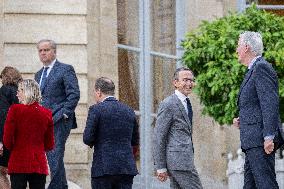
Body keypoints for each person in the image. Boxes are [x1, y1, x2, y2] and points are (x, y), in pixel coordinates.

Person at [233, 31, 284, 189]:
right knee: (250, 186)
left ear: (246, 47)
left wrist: (269, 136)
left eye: (238, 46)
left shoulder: (261, 67)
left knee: (266, 184)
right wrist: (244, 119)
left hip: (260, 140)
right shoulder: (252, 70)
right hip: (252, 141)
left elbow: (269, 102)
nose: (236, 50)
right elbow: (256, 104)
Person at [34, 39, 80, 189]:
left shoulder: (65, 69)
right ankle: (62, 186)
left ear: (54, 51)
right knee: (53, 156)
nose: (43, 53)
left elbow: (74, 94)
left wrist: (65, 113)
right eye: (40, 51)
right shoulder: (38, 74)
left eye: (46, 50)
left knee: (54, 154)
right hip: (43, 122)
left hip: (59, 120)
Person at [83, 77, 139, 189]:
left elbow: (87, 138)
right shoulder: (129, 110)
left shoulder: (96, 109)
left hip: (103, 168)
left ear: (98, 92)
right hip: (126, 168)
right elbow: (135, 140)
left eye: (95, 92)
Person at [153, 67, 203, 189]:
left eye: (191, 80)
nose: (189, 83)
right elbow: (159, 136)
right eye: (185, 80)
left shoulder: (187, 102)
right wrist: (160, 167)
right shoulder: (168, 104)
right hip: (179, 162)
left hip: (183, 160)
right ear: (175, 83)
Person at [3, 79, 54, 189]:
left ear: (28, 92)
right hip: (39, 163)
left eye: (20, 90)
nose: (17, 93)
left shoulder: (15, 110)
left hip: (18, 162)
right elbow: (50, 144)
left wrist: (15, 148)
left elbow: (7, 140)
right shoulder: (47, 113)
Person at [0, 66, 22, 189]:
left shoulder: (4, 91)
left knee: (1, 171)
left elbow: (3, 118)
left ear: (5, 77)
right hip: (20, 139)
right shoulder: (21, 92)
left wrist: (1, 142)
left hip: (7, 138)